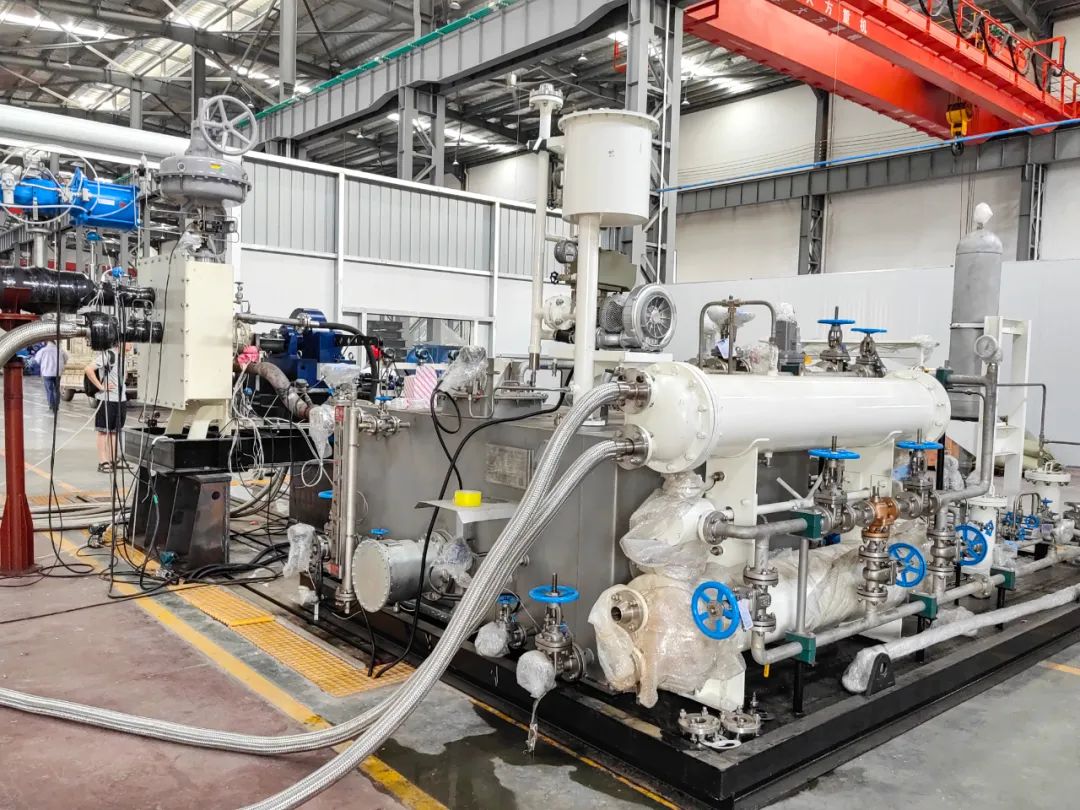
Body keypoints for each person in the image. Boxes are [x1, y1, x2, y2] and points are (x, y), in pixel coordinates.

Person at [85, 343, 127, 474]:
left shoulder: (122, 357)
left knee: (114, 431)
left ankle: (112, 459)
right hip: (107, 400)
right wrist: (101, 387)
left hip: (120, 399)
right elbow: (88, 369)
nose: (131, 344)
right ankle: (103, 461)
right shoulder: (108, 355)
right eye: (129, 341)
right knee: (103, 431)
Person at [32, 342, 68, 413]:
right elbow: (66, 359)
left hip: (47, 373)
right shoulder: (60, 350)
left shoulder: (43, 350)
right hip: (57, 373)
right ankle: (56, 406)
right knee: (56, 390)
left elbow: (37, 360)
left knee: (49, 390)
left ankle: (51, 405)